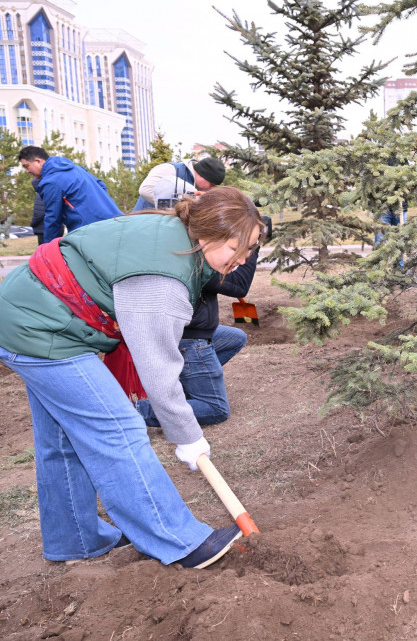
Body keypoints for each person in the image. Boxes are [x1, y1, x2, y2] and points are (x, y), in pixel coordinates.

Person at [0, 187, 264, 567]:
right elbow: (159, 372)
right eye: (236, 248)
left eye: (252, 248)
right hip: (42, 328)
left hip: (28, 309)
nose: (242, 259)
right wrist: (188, 437)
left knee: (61, 440)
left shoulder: (174, 234)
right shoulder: (163, 277)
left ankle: (75, 538)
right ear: (206, 234)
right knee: (118, 429)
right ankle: (178, 540)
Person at [133, 180, 259, 428]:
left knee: (235, 337)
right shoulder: (199, 255)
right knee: (216, 408)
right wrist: (253, 243)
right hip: (188, 339)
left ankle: (182, 385)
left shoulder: (184, 237)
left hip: (189, 332)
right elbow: (239, 286)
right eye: (238, 245)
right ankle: (134, 412)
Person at [18, 145, 122, 243]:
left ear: (38, 161)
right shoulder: (74, 168)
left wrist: (47, 248)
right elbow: (101, 185)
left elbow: (53, 219)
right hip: (115, 220)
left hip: (91, 231)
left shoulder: (51, 181)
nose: (27, 171)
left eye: (27, 166)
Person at [132, 156, 227, 212]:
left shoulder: (197, 186)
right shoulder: (170, 169)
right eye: (211, 184)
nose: (212, 188)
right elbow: (145, 190)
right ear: (203, 175)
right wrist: (183, 205)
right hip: (143, 222)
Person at [29, 178, 44, 244]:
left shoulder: (40, 195)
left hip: (43, 229)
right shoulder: (52, 192)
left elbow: (39, 213)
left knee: (43, 251)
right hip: (56, 227)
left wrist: (32, 223)